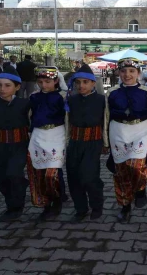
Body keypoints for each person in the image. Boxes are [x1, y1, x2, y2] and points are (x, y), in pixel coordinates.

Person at [104, 57, 147, 223]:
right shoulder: (111, 93)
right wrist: (105, 140)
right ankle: (125, 205)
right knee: (121, 170)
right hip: (118, 130)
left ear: (138, 73)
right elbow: (106, 116)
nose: (127, 74)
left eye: (132, 71)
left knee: (137, 166)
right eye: (123, 71)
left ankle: (140, 189)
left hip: (140, 130)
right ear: (118, 73)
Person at [0, 67, 31, 221]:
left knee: (13, 173)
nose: (2, 89)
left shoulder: (25, 104)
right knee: (0, 178)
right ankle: (13, 197)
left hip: (20, 144)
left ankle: (16, 207)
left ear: (17, 87)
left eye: (7, 85)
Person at [66, 64, 106, 222]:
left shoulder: (102, 100)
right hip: (75, 142)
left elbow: (105, 121)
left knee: (89, 176)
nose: (81, 85)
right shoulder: (71, 100)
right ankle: (80, 209)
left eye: (85, 82)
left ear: (93, 83)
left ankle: (97, 205)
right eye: (78, 82)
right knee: (74, 176)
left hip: (93, 142)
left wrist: (105, 142)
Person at [27, 66, 68, 221]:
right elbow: (30, 115)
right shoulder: (34, 96)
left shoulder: (63, 96)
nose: (43, 85)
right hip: (38, 135)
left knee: (52, 172)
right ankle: (46, 204)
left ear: (56, 81)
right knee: (39, 171)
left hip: (57, 134)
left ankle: (57, 198)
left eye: (47, 81)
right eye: (40, 81)